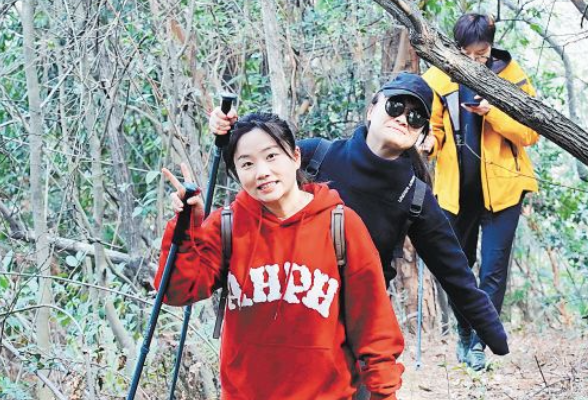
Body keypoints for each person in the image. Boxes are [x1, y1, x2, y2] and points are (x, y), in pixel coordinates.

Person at [210, 72, 510, 368]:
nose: (404, 119)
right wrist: (226, 137)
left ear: (422, 132)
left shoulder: (415, 197)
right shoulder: (316, 157)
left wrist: (494, 336)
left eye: (417, 116)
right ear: (372, 110)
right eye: (396, 107)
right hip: (294, 309)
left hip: (355, 328)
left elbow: (455, 273)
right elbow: (259, 168)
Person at [156, 113, 406, 399]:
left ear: (296, 156)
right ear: (236, 173)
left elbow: (373, 321)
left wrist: (383, 392)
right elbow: (176, 291)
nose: (261, 171)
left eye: (271, 156)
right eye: (247, 164)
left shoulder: (340, 224)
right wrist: (186, 227)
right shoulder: (227, 225)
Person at [422, 13, 539, 370]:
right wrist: (428, 142)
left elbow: (530, 133)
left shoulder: (511, 75)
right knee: (456, 268)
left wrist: (494, 112)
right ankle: (463, 328)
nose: (475, 60)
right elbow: (435, 128)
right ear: (457, 49)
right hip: (456, 192)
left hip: (504, 190)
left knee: (493, 270)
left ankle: (478, 345)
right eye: (468, 54)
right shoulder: (439, 77)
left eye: (482, 53)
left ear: (491, 45)